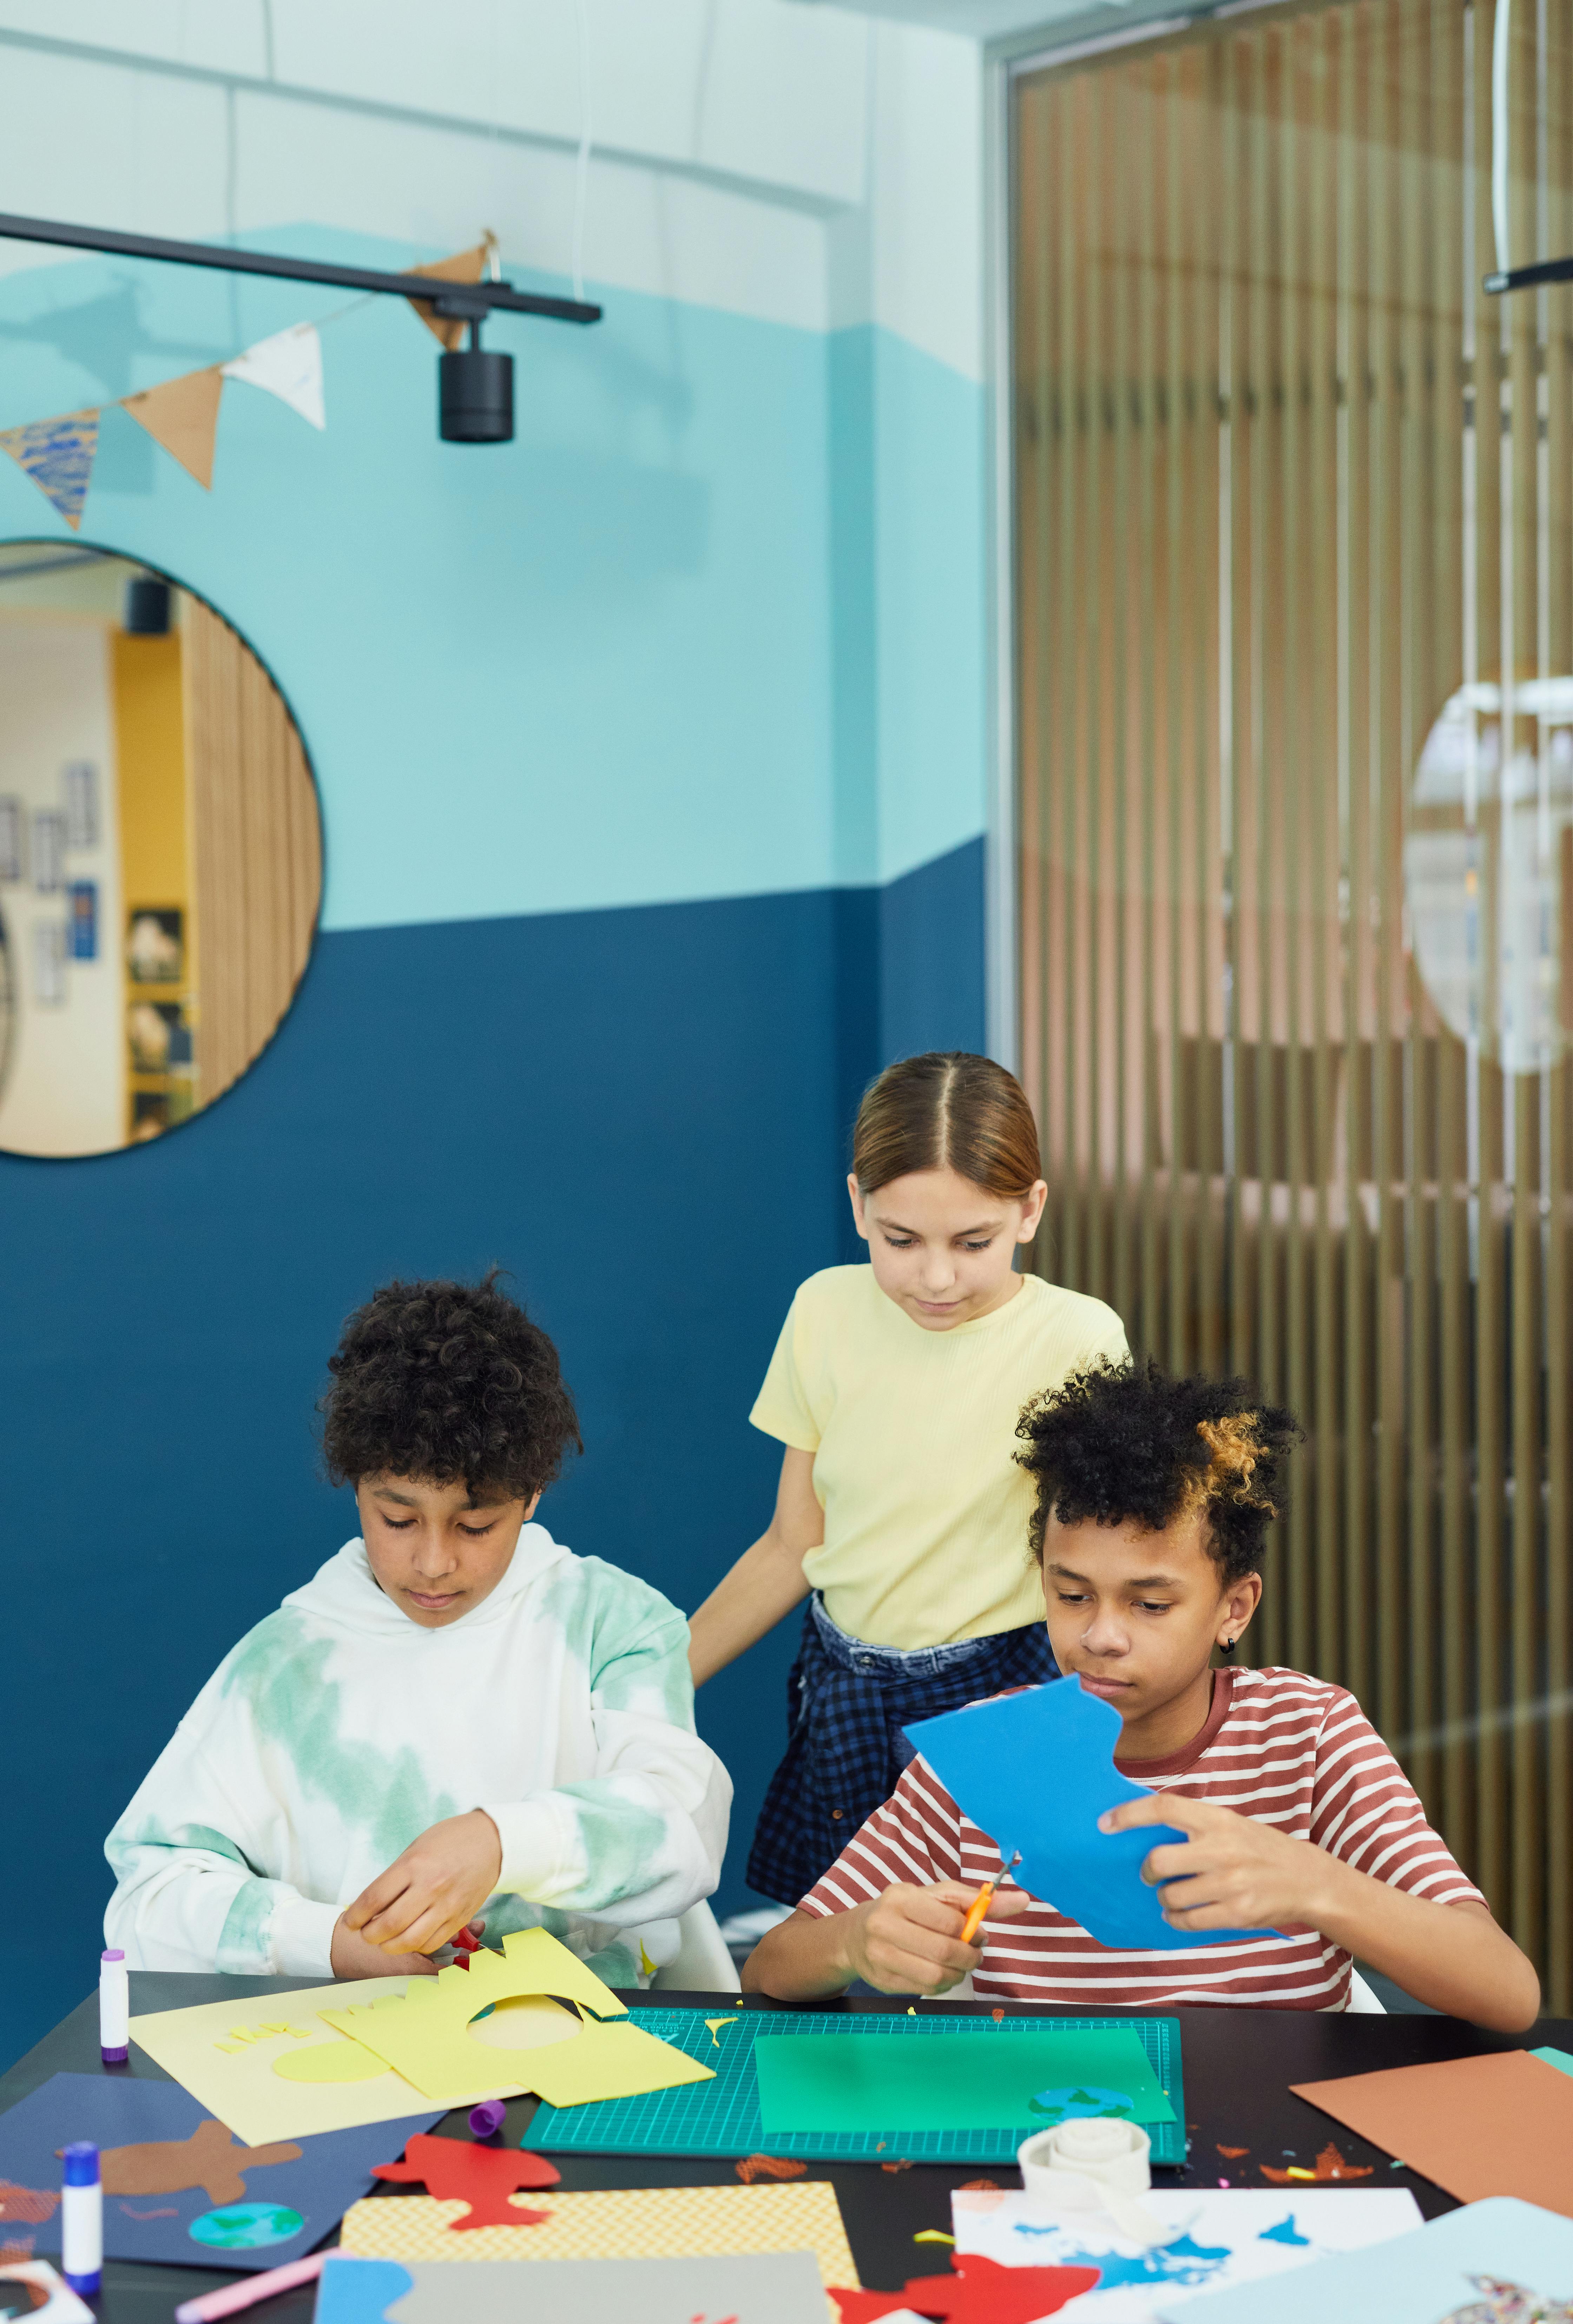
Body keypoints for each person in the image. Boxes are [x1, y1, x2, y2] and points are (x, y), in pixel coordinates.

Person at [743, 1361, 1540, 2029]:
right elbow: (772, 1967)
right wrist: (855, 1942)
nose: (1101, 1636)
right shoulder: (984, 1753)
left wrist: (1316, 1884)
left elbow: (1506, 1994)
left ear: (1233, 1607)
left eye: (1149, 1604)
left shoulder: (1308, 1734)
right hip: (1047, 2140)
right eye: (1071, 1595)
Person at [105, 1273, 731, 1986]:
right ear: (355, 1486)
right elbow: (149, 1899)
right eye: (397, 1520)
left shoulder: (609, 1623)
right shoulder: (285, 1663)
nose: (434, 1563)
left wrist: (502, 1841)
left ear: (533, 1493)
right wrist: (327, 1941)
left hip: (583, 2031)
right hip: (359, 2048)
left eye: (475, 1524)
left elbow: (682, 1823)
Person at [687, 1051, 1128, 1907]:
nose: (935, 1277)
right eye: (901, 1240)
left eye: (973, 1242)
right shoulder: (823, 1310)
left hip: (1006, 1690)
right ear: (857, 1204)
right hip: (843, 1685)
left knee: (1001, 1941)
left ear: (1029, 1210)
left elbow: (1100, 1566)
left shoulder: (1078, 1337)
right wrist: (655, 1683)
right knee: (848, 1937)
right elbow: (791, 1544)